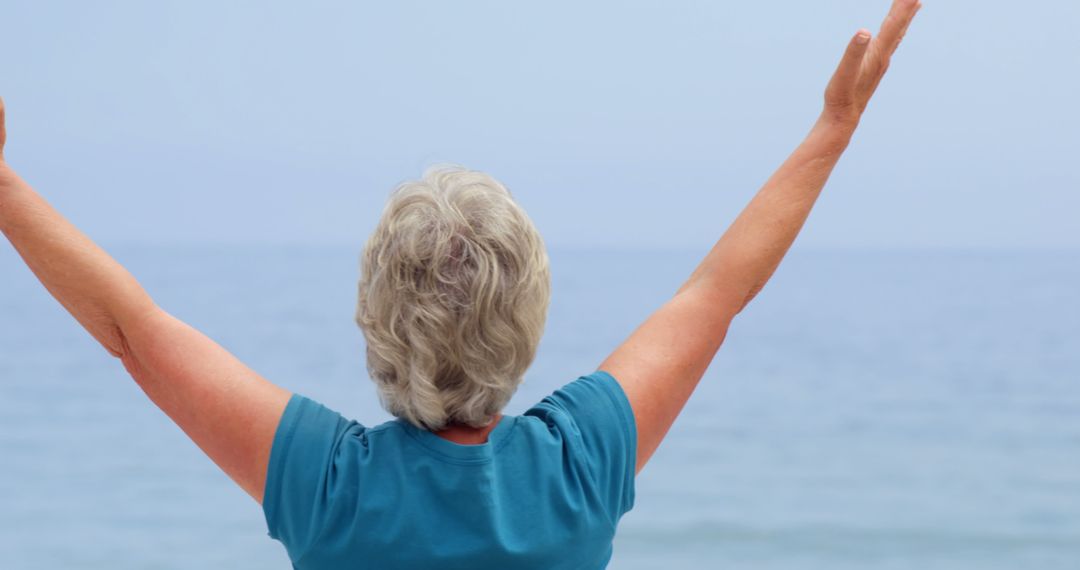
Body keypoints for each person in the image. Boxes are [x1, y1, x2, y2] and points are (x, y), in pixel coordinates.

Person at [0, 1, 921, 568]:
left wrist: (2, 188)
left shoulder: (329, 488)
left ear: (373, 320)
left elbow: (130, 327)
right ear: (526, 319)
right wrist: (833, 128)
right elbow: (715, 295)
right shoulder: (579, 465)